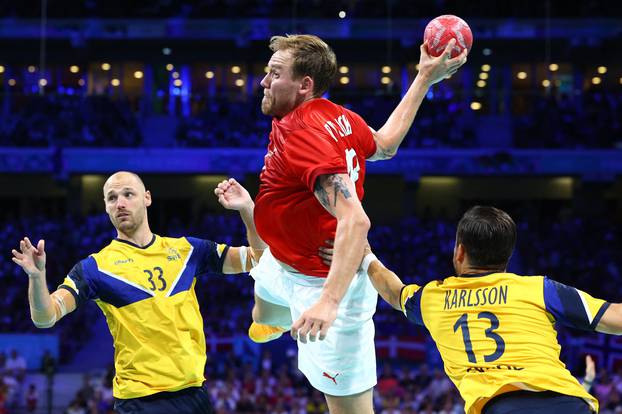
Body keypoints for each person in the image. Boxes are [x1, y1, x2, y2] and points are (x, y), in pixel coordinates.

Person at [216, 34, 467, 413]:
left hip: (324, 284)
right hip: (283, 263)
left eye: (274, 74)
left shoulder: (304, 132)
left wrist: (328, 304)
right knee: (262, 315)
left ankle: (311, 316)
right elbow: (385, 145)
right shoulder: (337, 116)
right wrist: (423, 79)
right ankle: (278, 315)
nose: (264, 82)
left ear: (304, 85)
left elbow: (356, 220)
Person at [11, 171, 264, 414]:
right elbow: (45, 318)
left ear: (147, 198)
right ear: (106, 207)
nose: (120, 203)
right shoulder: (94, 268)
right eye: (112, 198)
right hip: (140, 402)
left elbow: (257, 259)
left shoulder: (189, 250)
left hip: (194, 395)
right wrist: (36, 277)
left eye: (128, 194)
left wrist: (247, 209)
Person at [364, 205, 622, 414]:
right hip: (569, 403)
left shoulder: (432, 297)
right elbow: (615, 318)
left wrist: (365, 256)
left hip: (501, 405)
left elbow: (393, 291)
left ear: (459, 252)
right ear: (508, 257)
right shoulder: (540, 289)